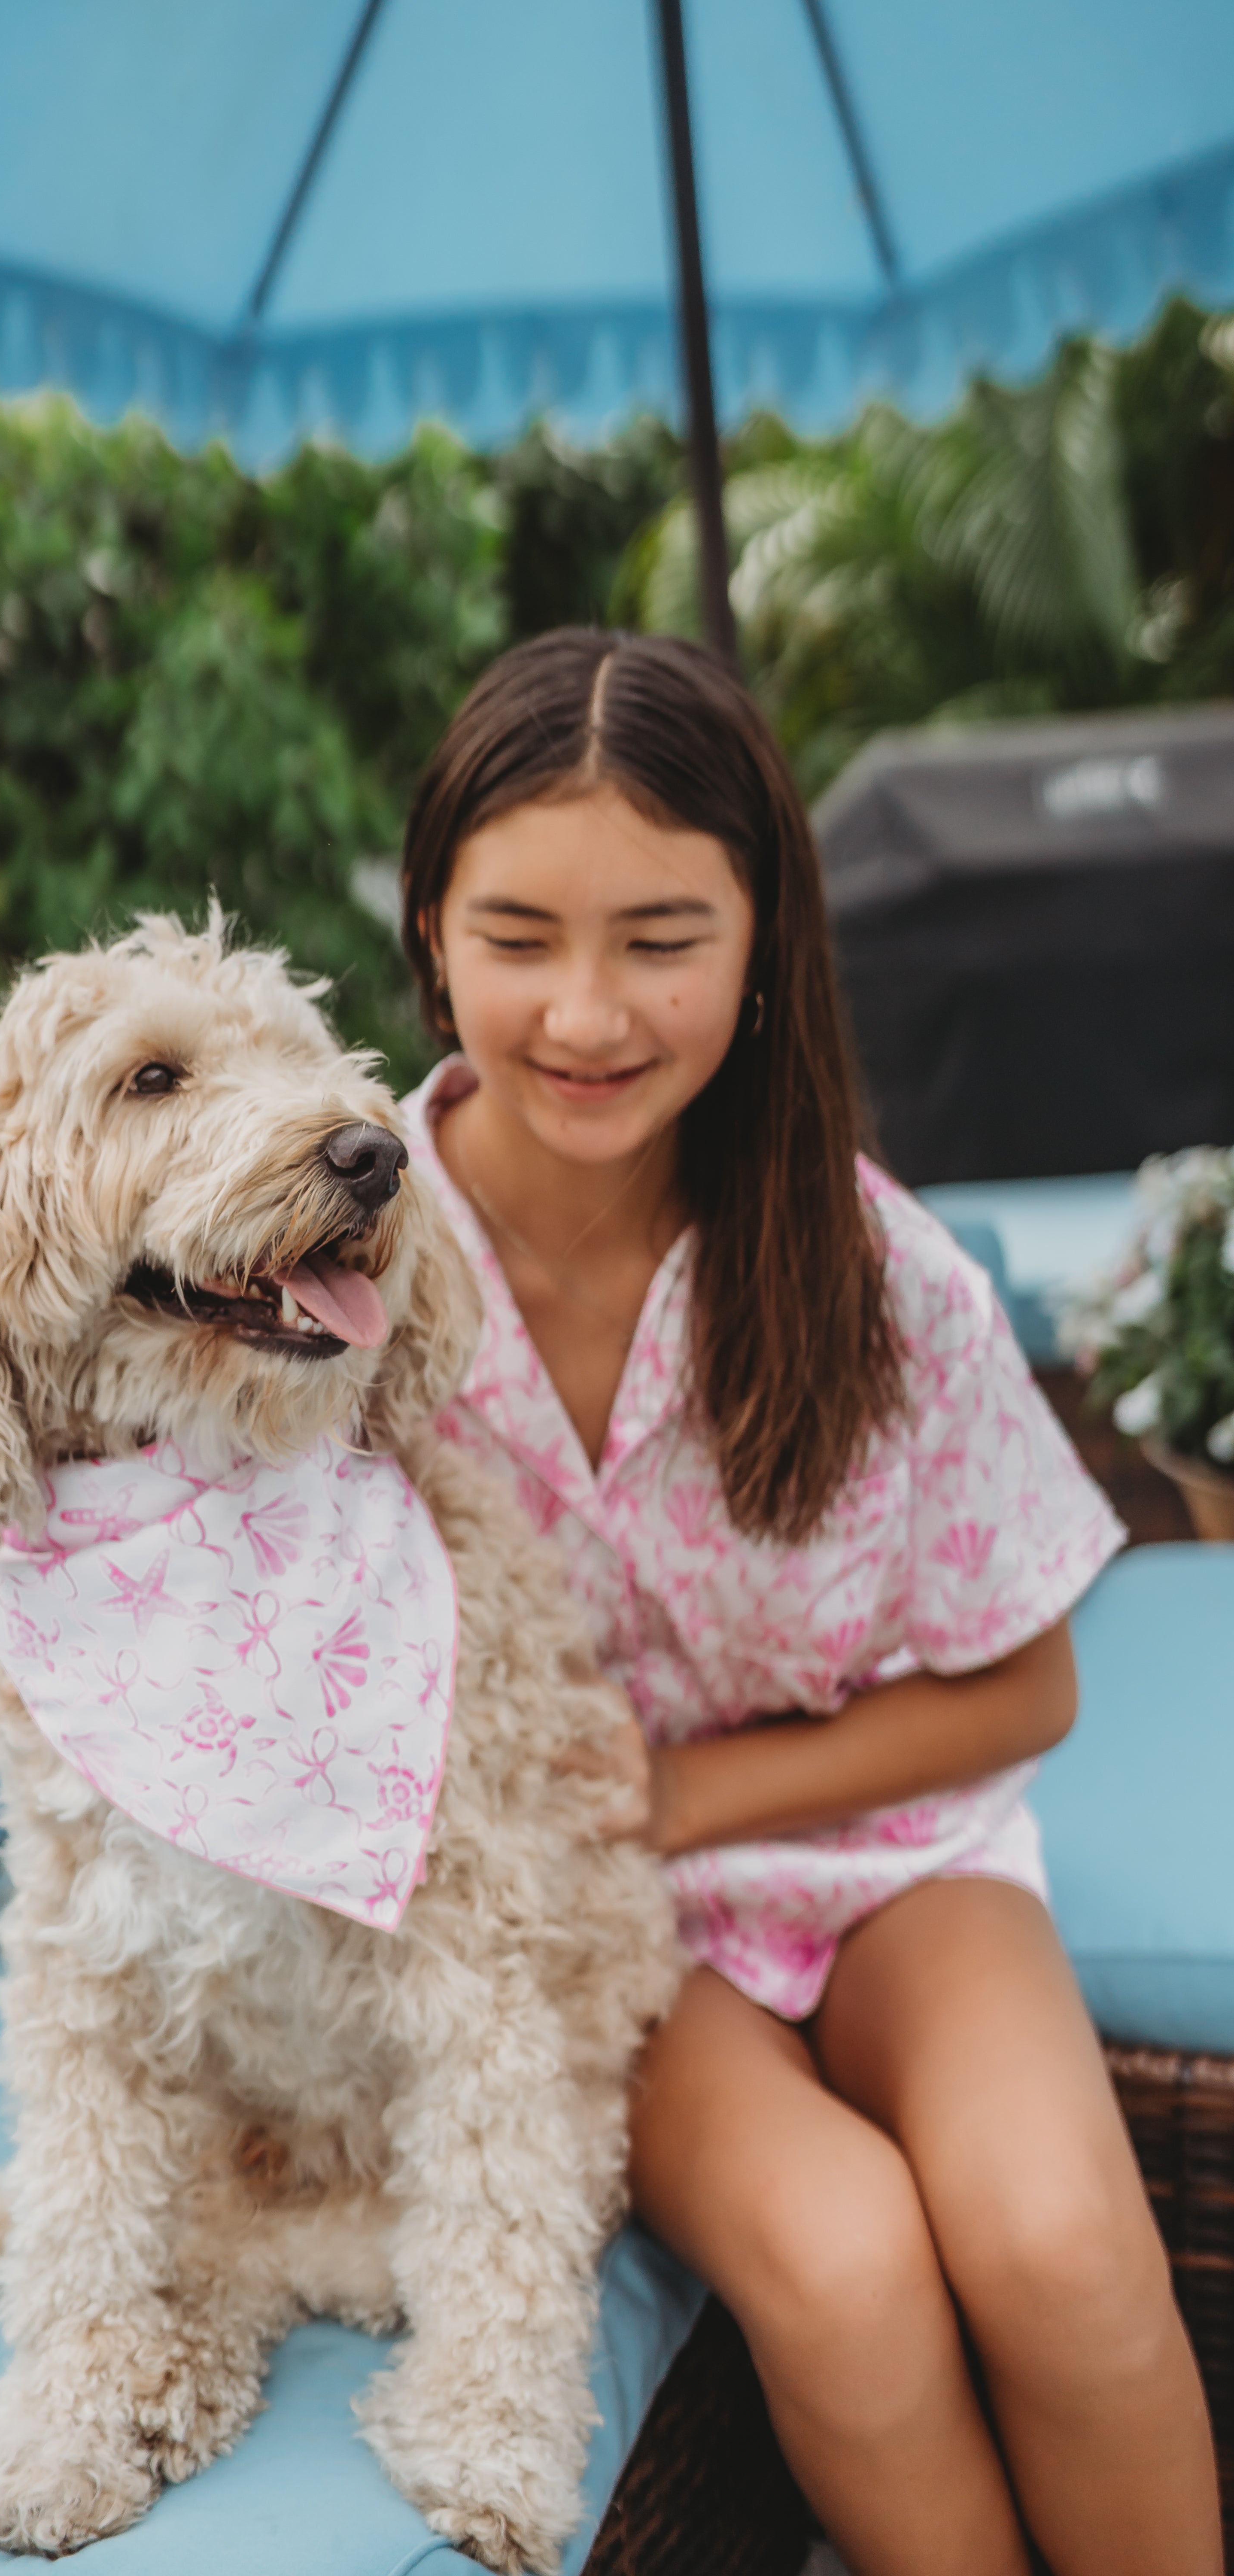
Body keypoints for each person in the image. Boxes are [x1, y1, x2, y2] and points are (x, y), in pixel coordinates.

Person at [395, 628, 1222, 2576]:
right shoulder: (345, 1283)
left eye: (662, 937)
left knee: (1061, 2245)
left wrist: (682, 1794)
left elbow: (1025, 1692)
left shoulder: (873, 1274)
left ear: (766, 936)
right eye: (520, 936)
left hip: (889, 1865)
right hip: (585, 1929)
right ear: (431, 930)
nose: (587, 1012)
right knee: (842, 2264)